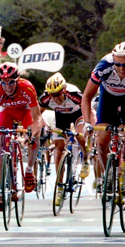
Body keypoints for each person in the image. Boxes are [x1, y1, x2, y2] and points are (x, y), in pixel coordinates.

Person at [81, 42, 125, 210]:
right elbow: (86, 97)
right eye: (118, 64)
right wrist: (87, 122)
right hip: (108, 98)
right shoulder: (103, 67)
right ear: (113, 61)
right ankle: (108, 177)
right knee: (102, 138)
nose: (121, 68)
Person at [0, 62, 43, 211]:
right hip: (7, 113)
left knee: (34, 139)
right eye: (4, 83)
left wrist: (32, 134)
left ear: (17, 80)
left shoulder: (27, 87)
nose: (8, 86)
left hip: (25, 112)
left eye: (11, 82)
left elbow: (37, 118)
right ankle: (1, 192)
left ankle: (29, 170)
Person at [38, 73, 88, 206]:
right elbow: (37, 114)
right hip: (61, 117)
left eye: (58, 94)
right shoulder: (46, 97)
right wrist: (43, 124)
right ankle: (59, 185)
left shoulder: (74, 94)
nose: (55, 98)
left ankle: (86, 160)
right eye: (52, 95)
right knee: (58, 147)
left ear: (64, 90)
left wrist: (88, 125)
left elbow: (87, 108)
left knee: (81, 136)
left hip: (78, 114)